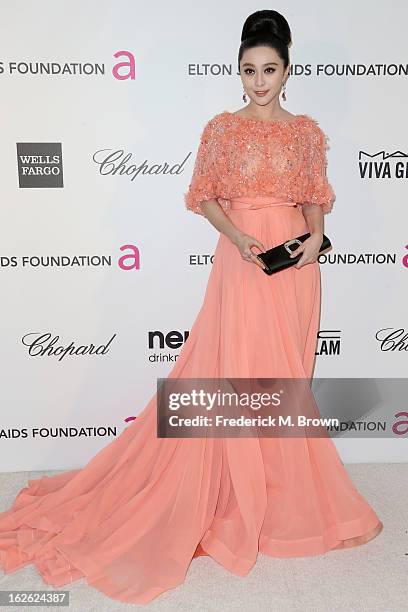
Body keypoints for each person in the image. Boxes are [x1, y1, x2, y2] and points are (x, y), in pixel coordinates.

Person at [0, 9, 383, 606]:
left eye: (270, 70)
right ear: (238, 70)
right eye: (250, 70)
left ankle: (276, 490)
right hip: (242, 263)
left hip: (294, 270)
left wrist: (314, 236)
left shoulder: (307, 131)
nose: (260, 81)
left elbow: (315, 199)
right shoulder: (222, 129)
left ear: (288, 70)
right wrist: (236, 239)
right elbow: (204, 196)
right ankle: (231, 487)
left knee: (284, 379)